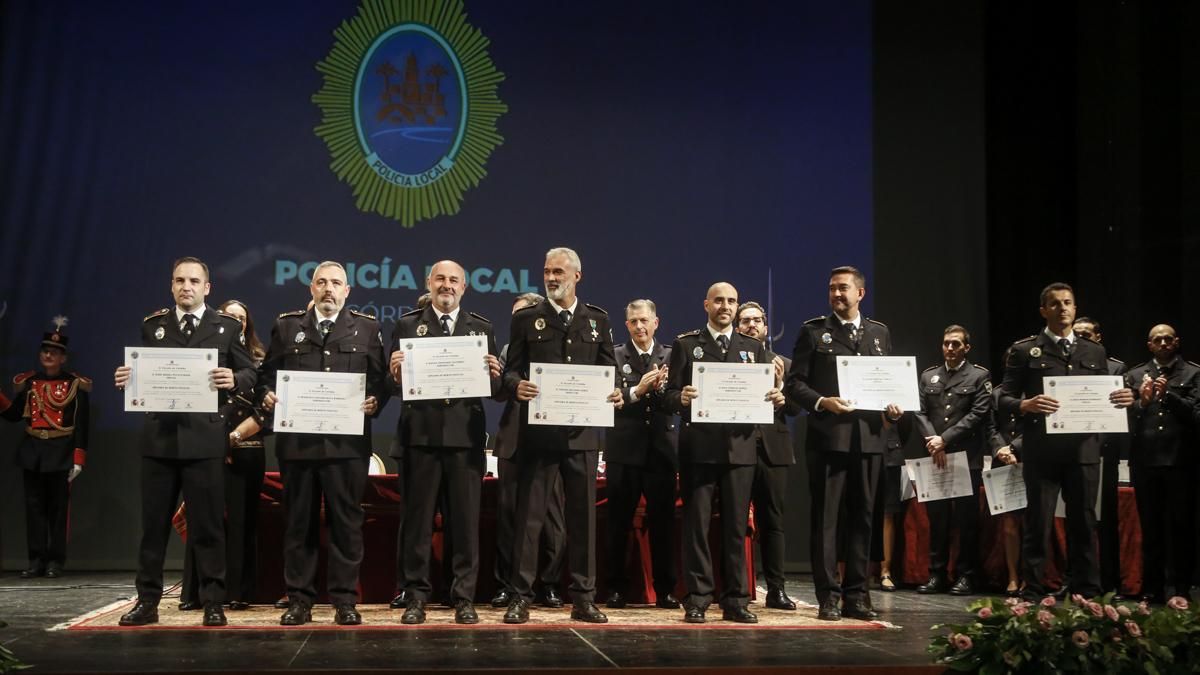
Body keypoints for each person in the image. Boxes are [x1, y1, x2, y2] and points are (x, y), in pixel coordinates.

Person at [112, 257, 256, 627]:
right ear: (171, 286)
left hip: (205, 441)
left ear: (207, 287)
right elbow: (145, 375)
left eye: (194, 280)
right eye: (179, 280)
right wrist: (128, 378)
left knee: (207, 527)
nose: (186, 286)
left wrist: (234, 379)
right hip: (159, 440)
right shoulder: (153, 326)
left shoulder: (225, 327)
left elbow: (251, 371)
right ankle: (147, 602)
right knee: (153, 528)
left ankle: (213, 601)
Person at [259, 261, 388, 626]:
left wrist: (376, 400)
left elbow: (380, 381)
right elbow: (267, 376)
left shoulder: (366, 328)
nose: (328, 289)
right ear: (311, 289)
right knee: (299, 524)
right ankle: (299, 600)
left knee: (347, 524)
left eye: (336, 283)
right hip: (298, 446)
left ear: (347, 291)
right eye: (322, 282)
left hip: (346, 447)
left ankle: (345, 600)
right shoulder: (287, 327)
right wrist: (268, 395)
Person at [501, 247, 621, 624]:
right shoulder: (526, 319)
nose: (551, 278)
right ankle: (520, 596)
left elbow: (608, 371)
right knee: (530, 519)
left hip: (582, 436)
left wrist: (615, 391)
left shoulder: (597, 321)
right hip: (538, 435)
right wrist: (515, 385)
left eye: (558, 272)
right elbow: (511, 371)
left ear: (577, 277)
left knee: (582, 519)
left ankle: (583, 598)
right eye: (547, 271)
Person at [997, 282, 1134, 601]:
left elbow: (1106, 396)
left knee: (1084, 524)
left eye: (1068, 303)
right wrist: (1024, 405)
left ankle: (1087, 591)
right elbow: (1003, 397)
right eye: (1056, 304)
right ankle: (1031, 592)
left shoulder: (1095, 351)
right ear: (1044, 310)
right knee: (1038, 524)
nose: (1063, 308)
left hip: (1084, 449)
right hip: (1043, 451)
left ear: (1075, 307)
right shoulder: (1024, 350)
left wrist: (1128, 397)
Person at [388, 260, 502, 624]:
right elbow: (395, 386)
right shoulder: (407, 325)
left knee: (465, 524)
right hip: (420, 438)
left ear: (464, 288)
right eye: (440, 279)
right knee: (417, 523)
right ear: (429, 283)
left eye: (454, 280)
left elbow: (494, 390)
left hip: (464, 441)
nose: (447, 285)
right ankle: (416, 597)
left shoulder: (480, 329)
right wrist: (394, 374)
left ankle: (463, 596)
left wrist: (496, 375)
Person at [664, 283, 785, 623]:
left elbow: (766, 398)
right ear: (706, 305)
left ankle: (735, 600)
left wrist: (777, 398)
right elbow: (669, 395)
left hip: (740, 450)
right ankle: (699, 597)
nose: (726, 306)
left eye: (732, 301)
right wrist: (681, 397)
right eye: (719, 300)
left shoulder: (753, 347)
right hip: (698, 450)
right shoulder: (687, 345)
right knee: (697, 526)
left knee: (735, 528)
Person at [785, 265, 900, 622]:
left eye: (844, 288)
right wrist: (823, 402)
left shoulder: (879, 334)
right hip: (828, 440)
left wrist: (895, 409)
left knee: (864, 518)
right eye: (832, 288)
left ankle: (857, 594)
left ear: (860, 294)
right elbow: (795, 385)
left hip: (869, 441)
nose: (837, 294)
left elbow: (890, 385)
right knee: (827, 520)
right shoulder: (814, 332)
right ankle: (829, 596)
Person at [178, 300, 269, 611]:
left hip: (245, 451)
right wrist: (216, 443)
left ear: (248, 325)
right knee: (203, 520)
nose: (236, 322)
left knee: (241, 524)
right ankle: (194, 592)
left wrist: (229, 439)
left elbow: (264, 412)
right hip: (206, 449)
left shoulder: (259, 362)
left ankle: (238, 592)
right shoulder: (202, 357)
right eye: (230, 317)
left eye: (241, 318)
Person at [489, 293, 568, 610]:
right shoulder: (508, 351)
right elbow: (496, 394)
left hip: (551, 441)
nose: (519, 323)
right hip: (514, 441)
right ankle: (507, 585)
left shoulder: (560, 347)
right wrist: (496, 377)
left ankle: (548, 584)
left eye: (524, 316)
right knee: (509, 518)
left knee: (552, 519)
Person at [0, 318, 90, 579]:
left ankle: (55, 561)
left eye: (54, 352)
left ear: (63, 357)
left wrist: (78, 458)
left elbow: (81, 426)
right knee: (34, 509)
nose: (48, 355)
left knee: (59, 511)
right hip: (33, 453)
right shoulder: (29, 383)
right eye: (45, 351)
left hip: (61, 452)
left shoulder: (75, 385)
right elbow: (15, 415)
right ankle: (36, 559)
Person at [604, 299, 679, 610]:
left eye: (644, 320)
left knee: (663, 525)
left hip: (661, 452)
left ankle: (665, 590)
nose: (639, 326)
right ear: (627, 325)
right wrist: (639, 389)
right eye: (633, 321)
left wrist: (661, 391)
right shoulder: (614, 355)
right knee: (618, 524)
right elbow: (607, 398)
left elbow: (677, 400)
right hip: (623, 451)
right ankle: (615, 589)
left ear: (656, 322)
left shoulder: (672, 357)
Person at [913, 325, 999, 595]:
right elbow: (919, 411)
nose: (949, 348)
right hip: (934, 455)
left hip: (965, 457)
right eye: (946, 343)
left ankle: (966, 575)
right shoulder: (929, 376)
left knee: (965, 521)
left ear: (966, 348)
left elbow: (978, 414)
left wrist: (945, 439)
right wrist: (933, 441)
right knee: (937, 520)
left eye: (955, 344)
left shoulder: (978, 375)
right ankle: (936, 573)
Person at [733, 300, 799, 610]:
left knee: (773, 523)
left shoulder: (782, 362)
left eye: (757, 320)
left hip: (774, 450)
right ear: (737, 327)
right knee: (734, 523)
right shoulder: (727, 362)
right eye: (745, 321)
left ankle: (776, 590)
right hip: (736, 449)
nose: (751, 325)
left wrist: (781, 387)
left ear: (766, 326)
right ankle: (736, 590)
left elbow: (798, 408)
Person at [1125, 324, 1198, 603]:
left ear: (1177, 342)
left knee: (1181, 527)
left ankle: (1181, 587)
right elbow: (1122, 419)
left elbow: (1196, 415)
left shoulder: (1193, 373)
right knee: (1150, 528)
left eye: (1169, 339)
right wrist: (1141, 404)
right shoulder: (1134, 375)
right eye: (1158, 339)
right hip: (1145, 461)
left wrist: (1169, 395)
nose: (1164, 343)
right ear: (1150, 345)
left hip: (1180, 461)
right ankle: (1152, 588)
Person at [1070, 316, 1129, 596]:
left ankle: (1109, 581)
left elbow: (1117, 412)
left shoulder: (1116, 367)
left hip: (1103, 453)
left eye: (1087, 334)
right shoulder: (1067, 367)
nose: (1082, 339)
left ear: (1098, 337)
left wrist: (1094, 442)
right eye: (1077, 334)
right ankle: (1077, 580)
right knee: (1077, 519)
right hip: (1073, 453)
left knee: (1103, 519)